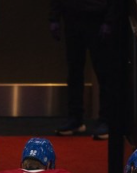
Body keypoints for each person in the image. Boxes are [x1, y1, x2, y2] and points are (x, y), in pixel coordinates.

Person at [50, 0, 115, 139]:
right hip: (72, 16)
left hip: (98, 17)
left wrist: (109, 20)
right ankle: (75, 117)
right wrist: (54, 17)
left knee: (104, 73)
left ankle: (106, 119)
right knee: (74, 71)